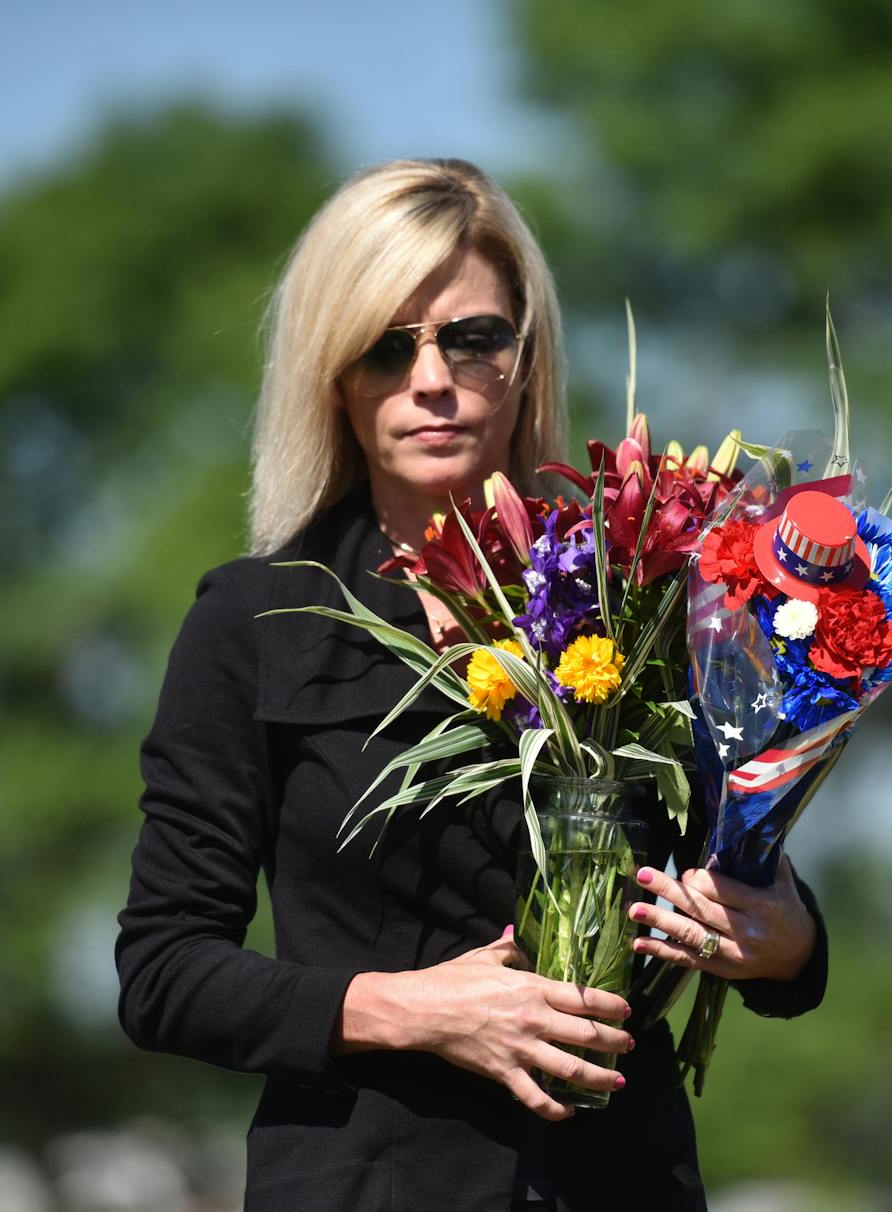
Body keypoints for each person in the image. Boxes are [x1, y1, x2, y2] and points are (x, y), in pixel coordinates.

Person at [116, 158, 827, 1212]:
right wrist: (416, 1010)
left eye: (471, 337)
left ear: (524, 357)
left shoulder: (640, 592)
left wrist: (783, 942)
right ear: (332, 375)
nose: (432, 378)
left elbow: (743, 875)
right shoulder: (252, 623)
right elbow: (164, 971)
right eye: (385, 348)